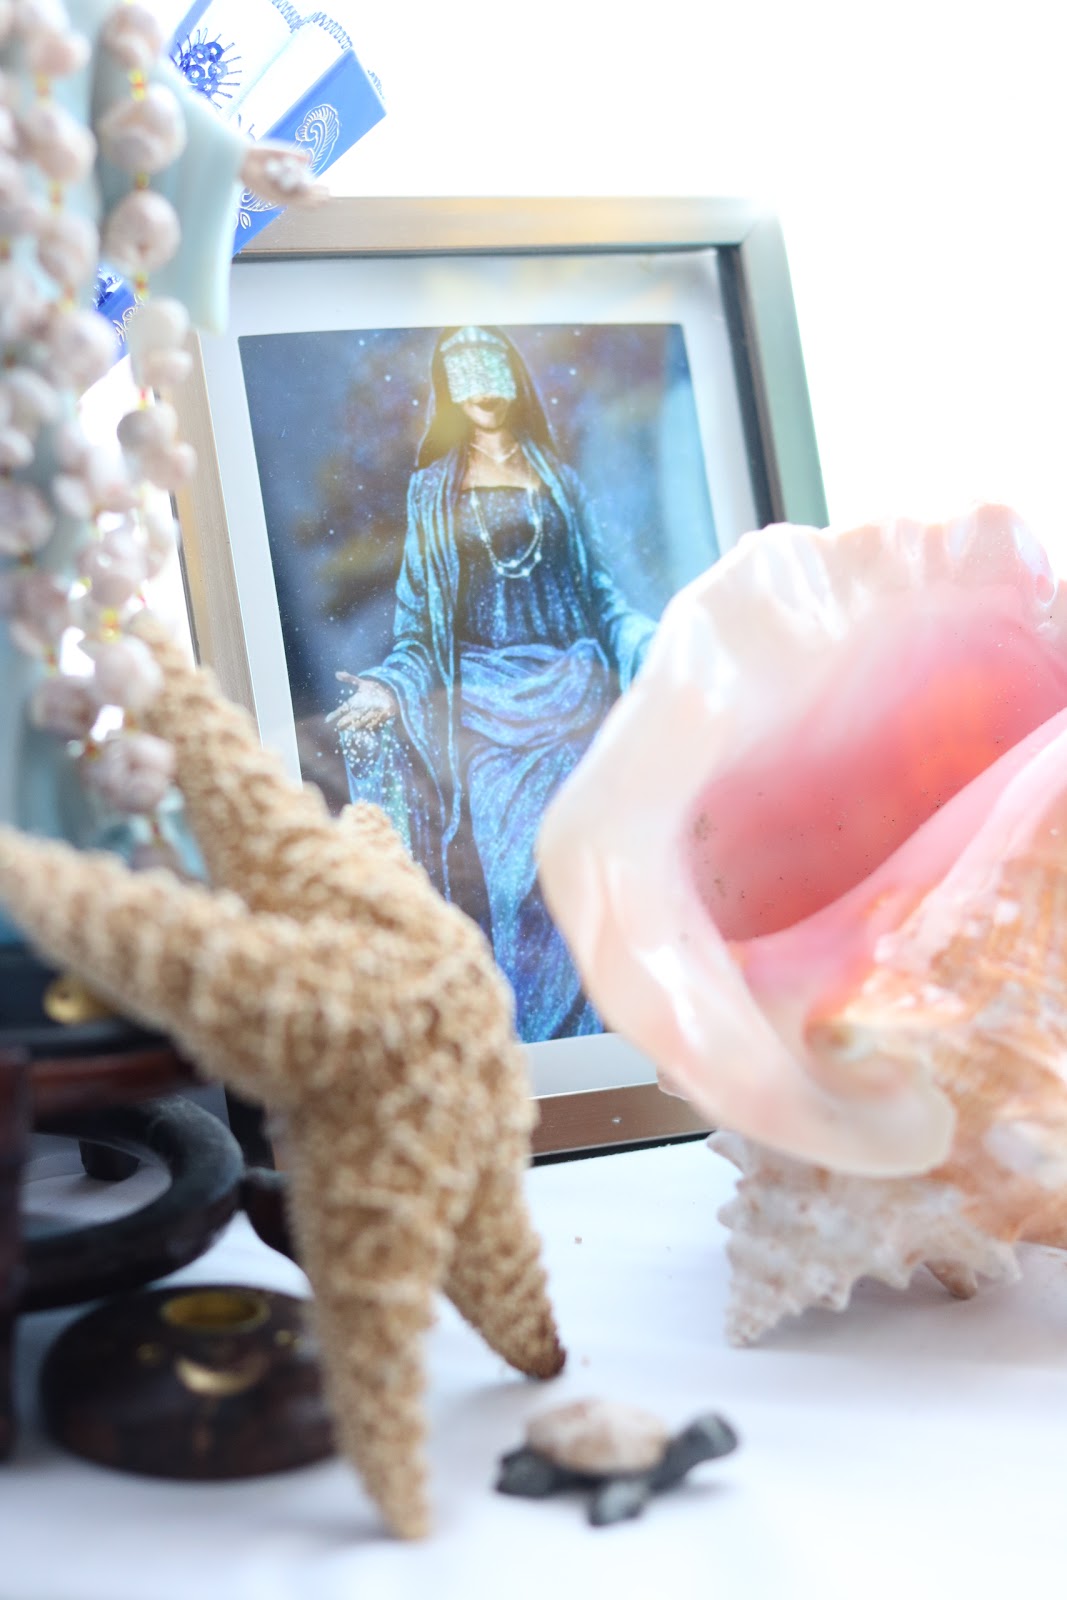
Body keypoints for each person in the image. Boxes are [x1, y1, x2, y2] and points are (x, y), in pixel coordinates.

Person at [329, 325, 656, 1042]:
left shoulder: (561, 483)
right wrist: (389, 688)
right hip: (484, 714)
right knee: (516, 880)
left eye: (490, 366)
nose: (479, 385)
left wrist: (651, 646)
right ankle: (532, 1044)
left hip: (578, 700)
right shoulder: (430, 493)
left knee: (591, 870)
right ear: (448, 388)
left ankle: (605, 1040)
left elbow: (604, 599)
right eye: (463, 370)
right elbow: (419, 630)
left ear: (513, 377)